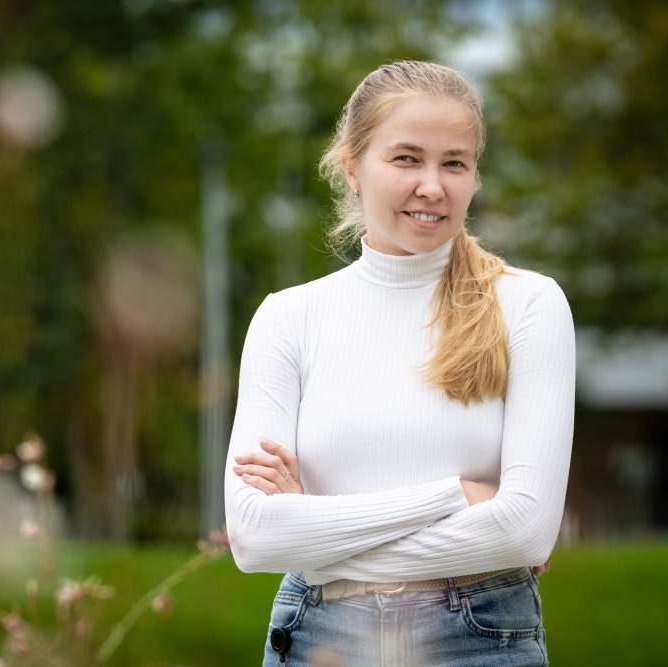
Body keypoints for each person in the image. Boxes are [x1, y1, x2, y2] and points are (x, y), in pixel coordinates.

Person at [224, 60, 575, 667]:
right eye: (407, 158)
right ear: (352, 168)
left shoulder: (529, 305)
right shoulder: (288, 318)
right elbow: (255, 536)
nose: (433, 186)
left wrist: (316, 535)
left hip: (480, 639)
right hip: (317, 640)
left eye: (454, 163)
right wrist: (458, 496)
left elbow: (526, 530)